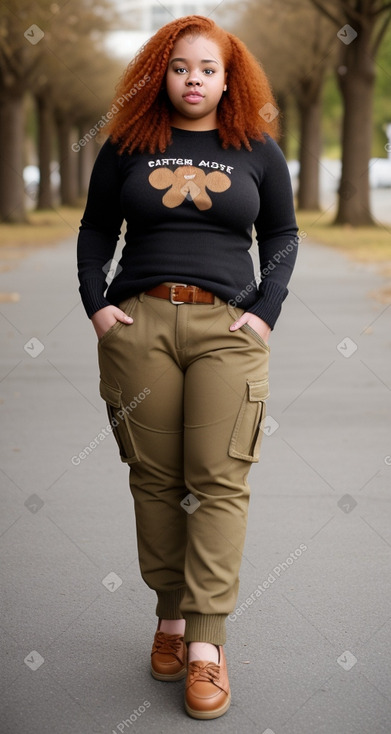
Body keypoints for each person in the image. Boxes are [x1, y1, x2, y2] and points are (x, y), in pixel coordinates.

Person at [77, 14, 298, 720]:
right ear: (160, 74)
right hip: (139, 324)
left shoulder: (257, 148)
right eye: (179, 67)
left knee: (218, 479)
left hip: (225, 329)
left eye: (206, 68)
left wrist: (265, 311)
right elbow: (93, 230)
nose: (192, 78)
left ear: (228, 79)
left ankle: (205, 644)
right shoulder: (127, 144)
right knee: (155, 479)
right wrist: (97, 306)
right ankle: (168, 617)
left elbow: (283, 234)